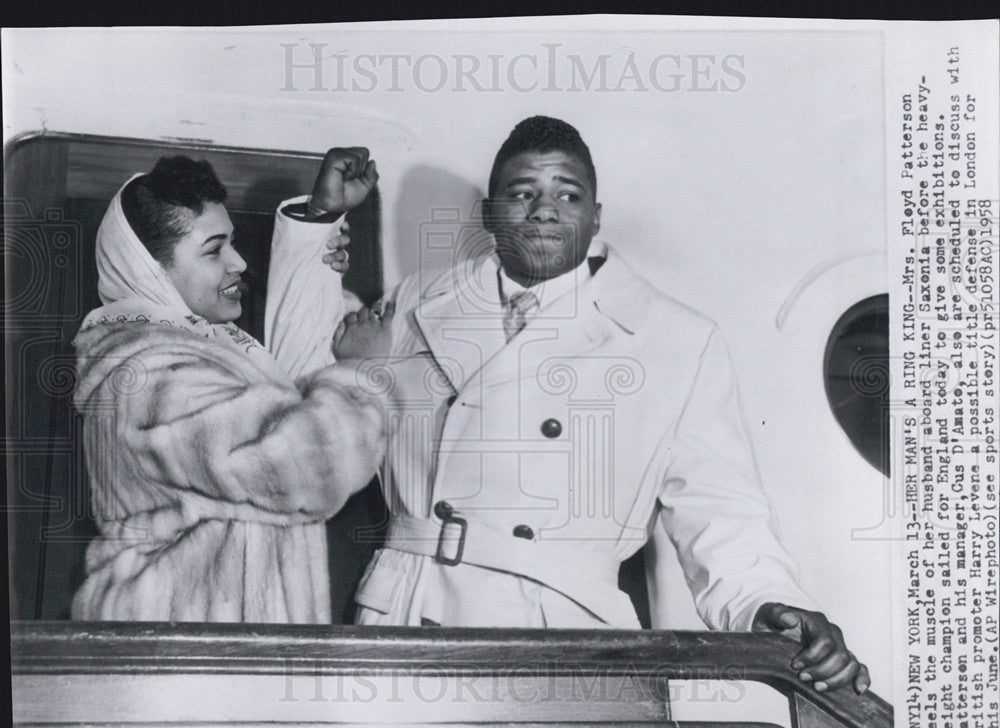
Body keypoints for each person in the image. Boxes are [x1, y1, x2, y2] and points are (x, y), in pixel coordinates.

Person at [271, 118, 870, 693]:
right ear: (488, 214)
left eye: (568, 194)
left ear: (595, 215)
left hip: (568, 636)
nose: (545, 210)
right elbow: (299, 391)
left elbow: (720, 512)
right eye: (522, 193)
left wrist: (768, 605)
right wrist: (318, 222)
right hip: (407, 613)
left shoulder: (675, 339)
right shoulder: (416, 302)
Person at [71, 150, 387, 623]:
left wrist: (318, 220)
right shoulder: (143, 375)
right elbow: (304, 464)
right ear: (150, 272)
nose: (238, 261)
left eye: (232, 243)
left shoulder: (200, 349)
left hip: (209, 647)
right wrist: (362, 372)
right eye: (214, 249)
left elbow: (289, 388)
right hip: (178, 659)